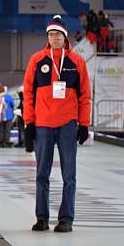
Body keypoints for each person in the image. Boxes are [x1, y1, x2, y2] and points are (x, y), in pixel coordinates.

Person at [23, 14, 91, 233]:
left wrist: (83, 124)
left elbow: (85, 95)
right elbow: (28, 95)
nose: (54, 38)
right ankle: (42, 218)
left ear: (65, 36)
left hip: (67, 126)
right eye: (51, 34)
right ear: (48, 37)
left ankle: (66, 219)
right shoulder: (37, 60)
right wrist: (28, 123)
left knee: (69, 175)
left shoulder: (76, 61)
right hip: (42, 125)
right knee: (42, 174)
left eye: (58, 34)